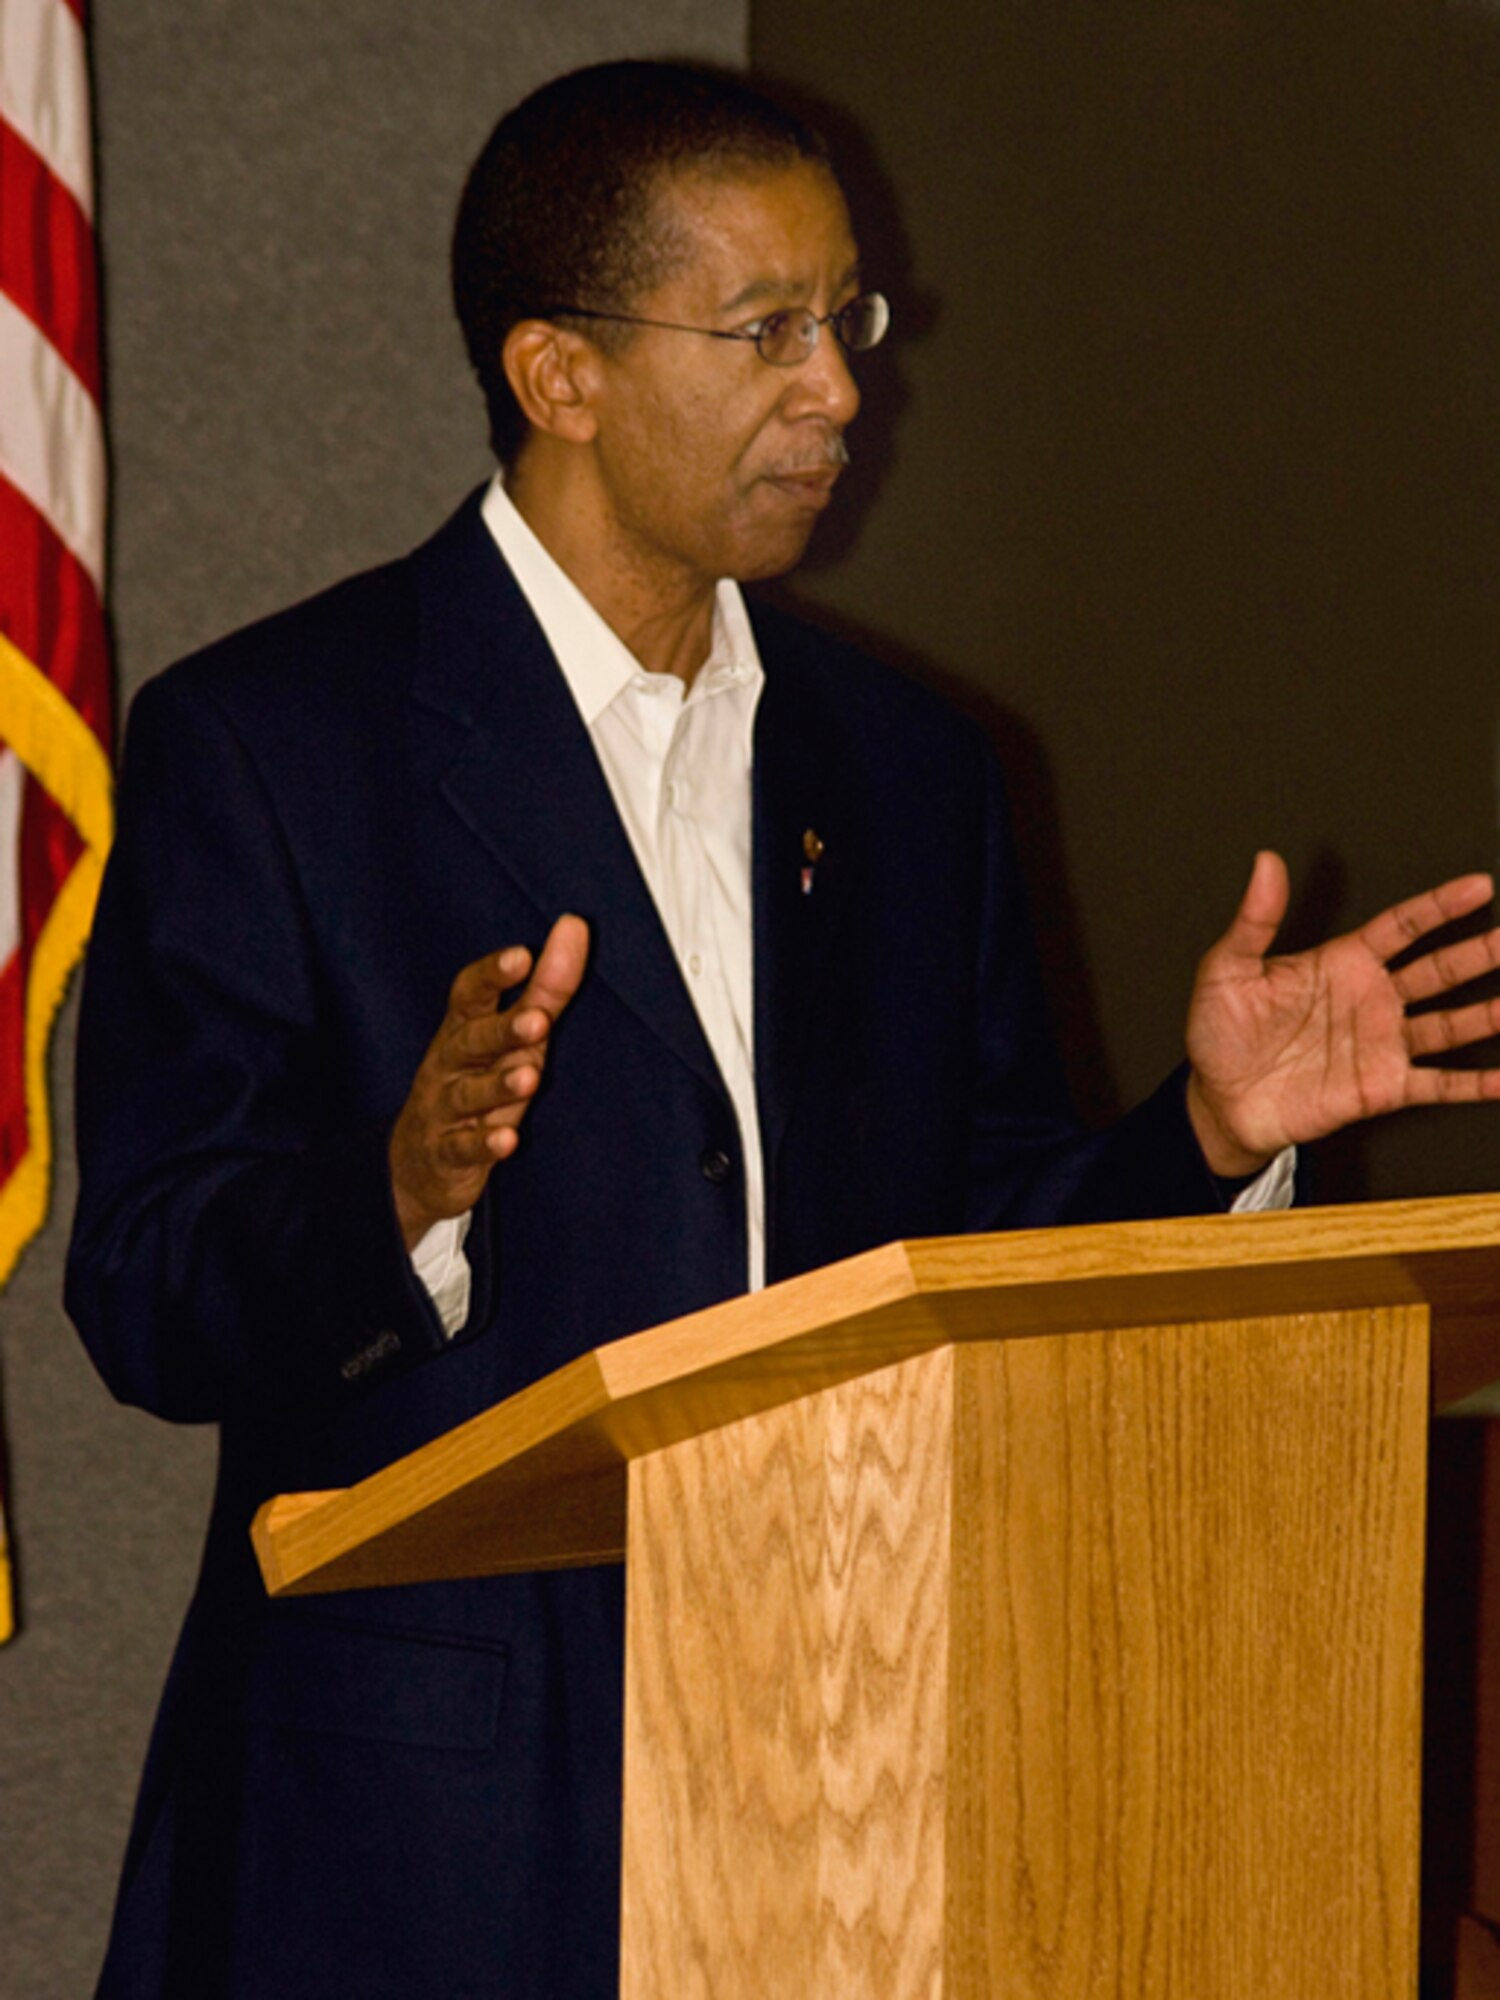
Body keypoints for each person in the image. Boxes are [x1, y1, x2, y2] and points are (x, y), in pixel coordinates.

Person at [66, 58, 1500, 2000]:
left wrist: (1208, 1136)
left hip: (862, 1787)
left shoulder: (911, 767)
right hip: (431, 1837)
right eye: (767, 331)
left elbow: (973, 1245)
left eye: (848, 320)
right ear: (557, 373)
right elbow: (150, 1293)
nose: (839, 388)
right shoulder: (274, 740)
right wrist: (395, 1193)